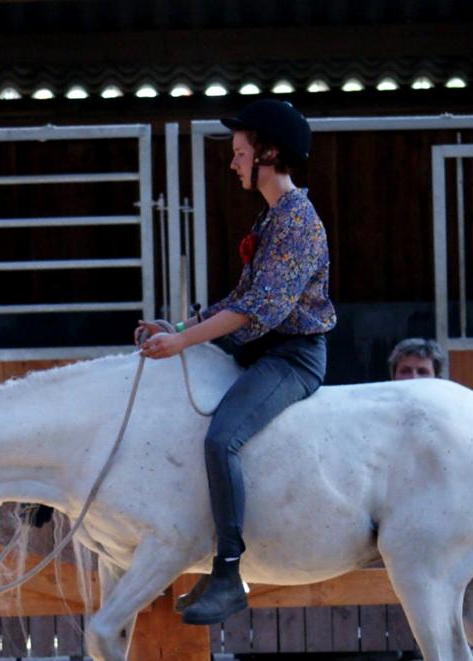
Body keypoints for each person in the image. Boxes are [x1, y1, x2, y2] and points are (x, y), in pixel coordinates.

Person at [137, 99, 335, 625]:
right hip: (262, 351)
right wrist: (178, 328)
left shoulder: (296, 222)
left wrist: (183, 342)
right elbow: (239, 298)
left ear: (268, 155)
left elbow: (258, 310)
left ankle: (228, 573)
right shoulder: (273, 216)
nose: (233, 163)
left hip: (291, 357)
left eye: (240, 153)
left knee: (222, 439)